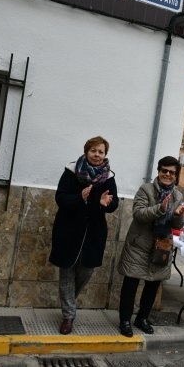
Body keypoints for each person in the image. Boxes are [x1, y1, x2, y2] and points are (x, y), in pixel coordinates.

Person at [49, 136, 119, 335]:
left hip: (94, 232)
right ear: (86, 151)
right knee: (67, 272)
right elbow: (60, 198)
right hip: (68, 229)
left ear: (105, 155)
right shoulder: (71, 171)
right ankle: (68, 316)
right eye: (93, 151)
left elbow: (114, 204)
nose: (97, 155)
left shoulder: (109, 177)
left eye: (101, 152)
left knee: (86, 272)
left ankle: (68, 303)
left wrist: (107, 203)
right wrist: (79, 197)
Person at [117, 156, 184, 337]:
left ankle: (142, 318)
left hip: (161, 246)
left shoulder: (178, 195)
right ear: (158, 171)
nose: (167, 174)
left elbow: (177, 225)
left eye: (172, 172)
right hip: (139, 244)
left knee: (153, 284)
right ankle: (125, 320)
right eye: (164, 170)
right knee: (131, 283)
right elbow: (139, 214)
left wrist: (178, 214)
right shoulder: (146, 189)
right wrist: (161, 208)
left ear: (176, 175)